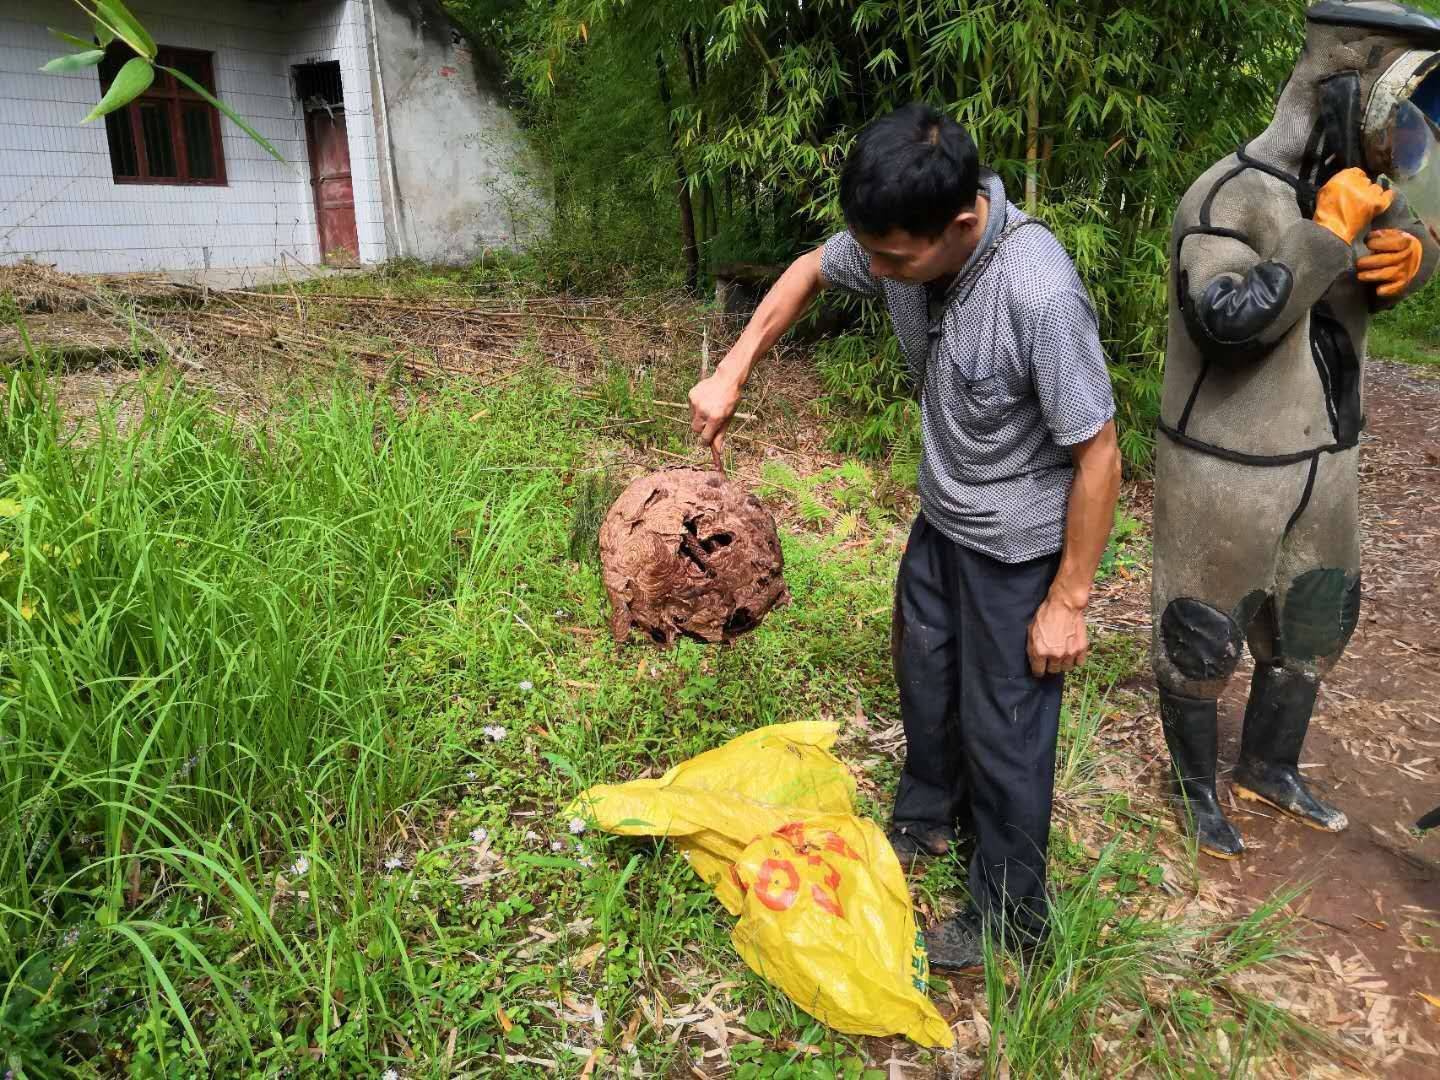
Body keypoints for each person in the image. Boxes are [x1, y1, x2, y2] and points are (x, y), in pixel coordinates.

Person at [688, 103, 1121, 969]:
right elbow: (811, 267)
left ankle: (1012, 917)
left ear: (963, 224)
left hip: (1019, 549)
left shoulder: (1035, 290)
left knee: (1006, 728)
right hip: (942, 519)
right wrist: (734, 368)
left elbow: (1101, 452)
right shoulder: (901, 239)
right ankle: (928, 817)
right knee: (926, 677)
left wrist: (1069, 599)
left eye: (893, 260)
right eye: (873, 253)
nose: (878, 271)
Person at [1152, 0, 1440, 861]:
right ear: (1344, 92)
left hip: (1328, 460)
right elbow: (1225, 324)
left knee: (1316, 615)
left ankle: (1270, 764)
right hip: (1228, 462)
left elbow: (1397, 253)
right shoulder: (1229, 194)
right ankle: (1195, 785)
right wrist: (1322, 236)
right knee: (1202, 622)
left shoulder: (1369, 195)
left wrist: (1414, 257)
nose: (1411, 132)